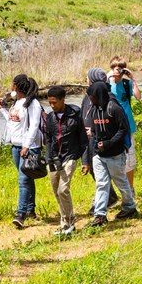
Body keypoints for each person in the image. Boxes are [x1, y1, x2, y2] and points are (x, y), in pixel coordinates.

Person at [84, 81, 137, 227]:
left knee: (121, 182)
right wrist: (96, 142)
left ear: (99, 95)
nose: (91, 100)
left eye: (92, 97)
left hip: (115, 154)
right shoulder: (94, 109)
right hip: (99, 155)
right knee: (101, 183)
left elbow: (123, 129)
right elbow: (93, 129)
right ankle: (100, 215)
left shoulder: (114, 108)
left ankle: (129, 206)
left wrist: (108, 143)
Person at [0, 74, 43, 229]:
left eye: (12, 83)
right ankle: (31, 210)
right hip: (16, 146)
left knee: (23, 180)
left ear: (16, 86)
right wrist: (2, 109)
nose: (11, 86)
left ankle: (20, 214)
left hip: (29, 147)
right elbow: (12, 122)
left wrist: (26, 145)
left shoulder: (32, 104)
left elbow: (34, 126)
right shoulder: (17, 103)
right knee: (27, 178)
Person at [45, 86, 87, 236]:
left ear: (63, 100)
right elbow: (48, 139)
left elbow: (83, 139)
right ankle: (64, 223)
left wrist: (85, 161)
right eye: (49, 103)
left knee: (63, 189)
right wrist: (48, 157)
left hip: (70, 156)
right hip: (54, 158)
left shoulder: (75, 114)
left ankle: (71, 221)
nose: (52, 106)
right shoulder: (50, 117)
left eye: (54, 102)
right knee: (56, 191)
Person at [80, 67, 118, 213]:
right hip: (87, 138)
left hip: (98, 138)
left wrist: (94, 130)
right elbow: (84, 115)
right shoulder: (87, 97)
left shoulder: (105, 97)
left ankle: (103, 202)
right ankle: (111, 196)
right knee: (92, 169)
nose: (86, 80)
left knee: (100, 170)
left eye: (88, 78)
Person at [107, 56, 140, 195]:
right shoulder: (107, 83)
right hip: (112, 126)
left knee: (129, 159)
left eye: (121, 69)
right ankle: (116, 191)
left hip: (127, 125)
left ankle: (130, 189)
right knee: (112, 158)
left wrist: (133, 79)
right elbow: (97, 94)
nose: (118, 72)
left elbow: (138, 97)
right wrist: (106, 77)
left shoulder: (126, 84)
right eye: (116, 68)